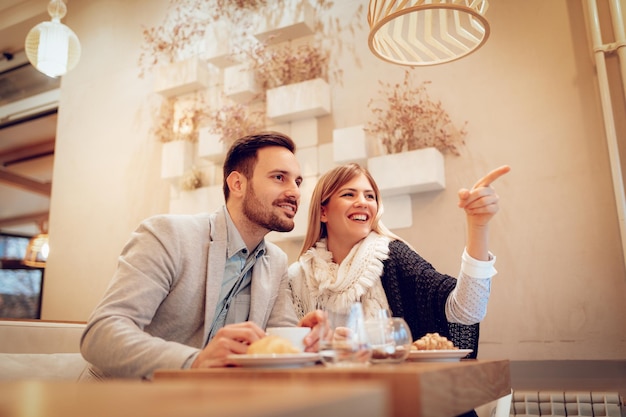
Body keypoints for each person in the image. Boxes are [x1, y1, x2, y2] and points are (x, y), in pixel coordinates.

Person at [80, 132, 323, 380]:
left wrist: (303, 340)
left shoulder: (277, 261)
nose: (295, 192)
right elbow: (101, 334)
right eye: (279, 177)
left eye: (298, 182)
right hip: (125, 400)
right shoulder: (167, 235)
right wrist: (194, 361)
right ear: (237, 184)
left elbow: (276, 338)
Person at [289, 162, 511, 354]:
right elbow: (283, 346)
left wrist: (478, 225)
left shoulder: (393, 256)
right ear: (324, 212)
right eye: (349, 194)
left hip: (392, 394)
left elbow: (467, 310)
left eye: (370, 196)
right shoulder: (297, 277)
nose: (363, 202)